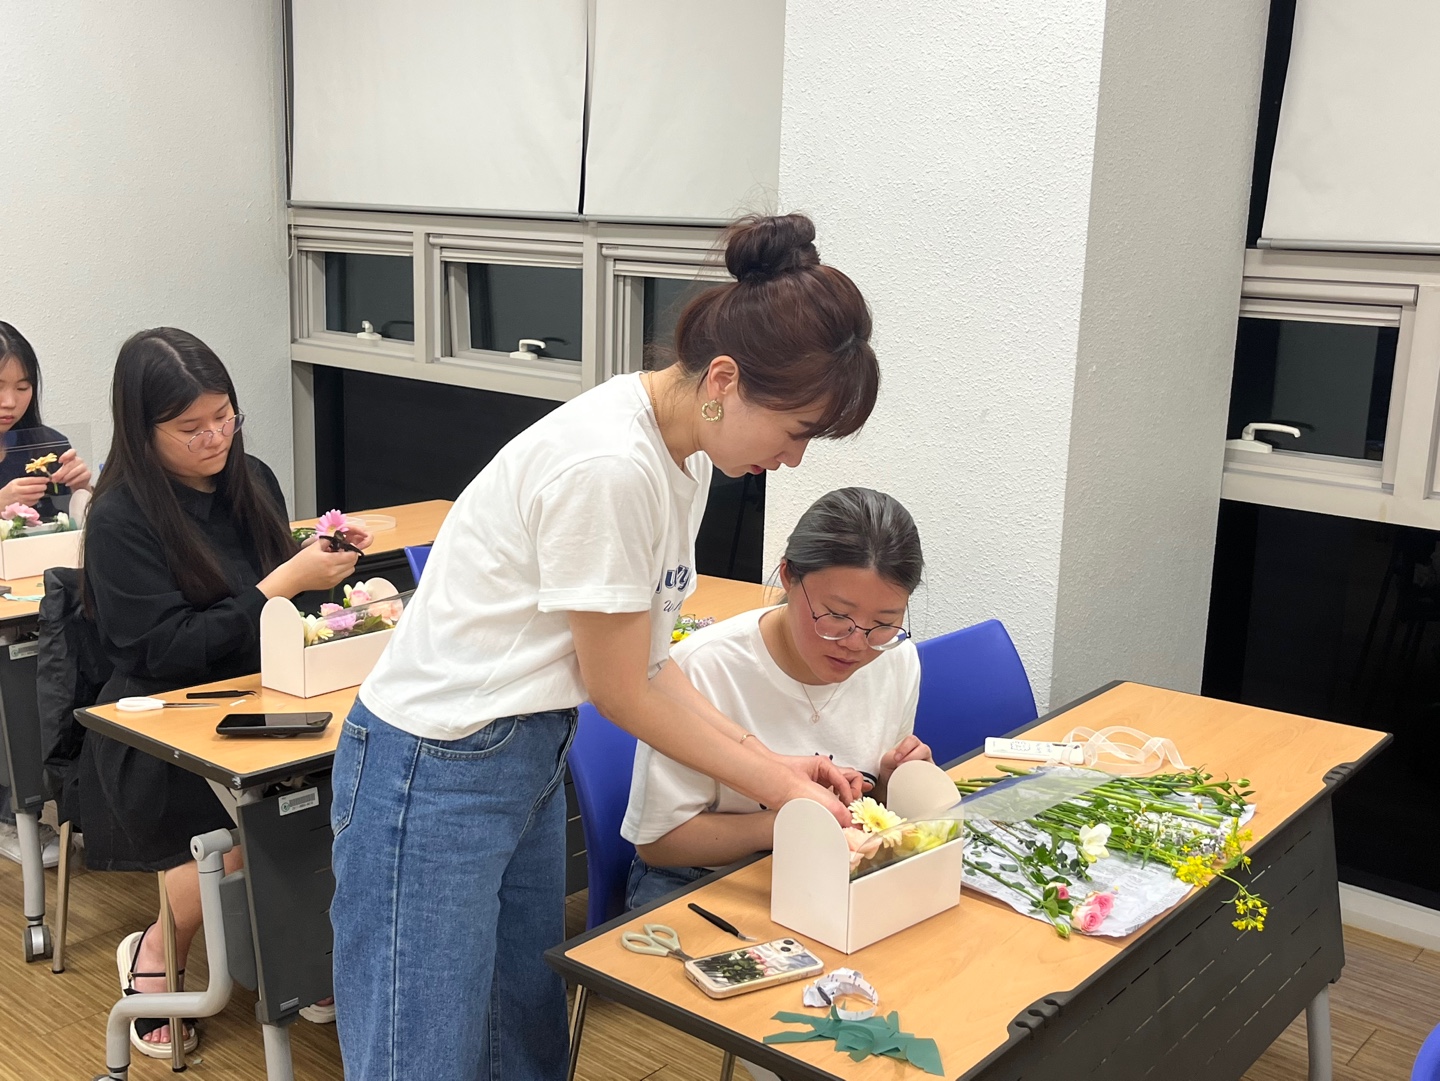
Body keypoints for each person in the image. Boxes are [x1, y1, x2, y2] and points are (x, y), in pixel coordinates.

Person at [330, 213, 880, 1081]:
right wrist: (777, 786)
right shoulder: (612, 465)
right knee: (422, 1054)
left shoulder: (681, 456)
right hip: (433, 766)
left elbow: (652, 663)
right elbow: (622, 691)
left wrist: (773, 761)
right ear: (725, 380)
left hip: (523, 750)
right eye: (797, 429)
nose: (796, 457)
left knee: (524, 1036)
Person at [79, 327, 371, 1059]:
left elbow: (281, 608)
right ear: (142, 429)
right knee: (244, 837)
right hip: (162, 724)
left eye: (224, 417)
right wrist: (284, 582)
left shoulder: (253, 478)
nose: (214, 438)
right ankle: (158, 944)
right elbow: (163, 649)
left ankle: (298, 951)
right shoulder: (120, 518)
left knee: (345, 801)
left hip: (266, 697)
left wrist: (326, 563)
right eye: (191, 427)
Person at [622, 487, 932, 910]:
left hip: (828, 872)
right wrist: (787, 821)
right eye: (836, 616)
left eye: (883, 623)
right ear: (788, 575)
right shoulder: (703, 667)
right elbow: (658, 844)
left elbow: (866, 810)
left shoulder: (895, 658)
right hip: (705, 881)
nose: (856, 643)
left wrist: (891, 783)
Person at [0, 321, 95, 869]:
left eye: (23, 386)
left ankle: (70, 805)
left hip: (45, 602)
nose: (10, 401)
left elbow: (82, 526)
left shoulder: (44, 444)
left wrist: (86, 487)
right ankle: (13, 813)